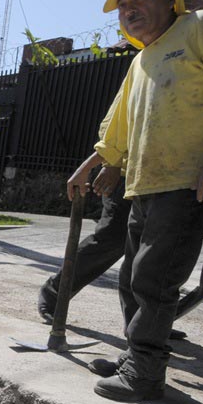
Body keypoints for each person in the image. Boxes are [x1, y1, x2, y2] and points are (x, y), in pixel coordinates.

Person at [86, 0, 203, 402]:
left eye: (140, 1)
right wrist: (109, 164)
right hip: (145, 183)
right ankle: (137, 356)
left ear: (170, 0)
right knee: (132, 276)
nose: (130, 12)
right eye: (123, 7)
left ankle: (146, 375)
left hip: (190, 180)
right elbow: (122, 124)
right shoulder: (142, 58)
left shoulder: (202, 26)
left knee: (155, 278)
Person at [36, 152, 188, 362]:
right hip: (127, 174)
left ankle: (145, 324)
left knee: (151, 249)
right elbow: (118, 123)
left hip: (174, 176)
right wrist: (111, 163)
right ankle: (54, 293)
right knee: (112, 239)